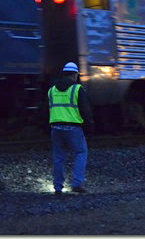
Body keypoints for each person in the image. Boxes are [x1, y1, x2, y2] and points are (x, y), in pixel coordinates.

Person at [48, 62, 95, 195]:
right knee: (81, 153)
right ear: (75, 75)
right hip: (73, 128)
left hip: (56, 128)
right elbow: (86, 110)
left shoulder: (51, 90)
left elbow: (46, 110)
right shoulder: (77, 89)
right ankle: (77, 184)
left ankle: (57, 187)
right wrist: (90, 128)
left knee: (58, 157)